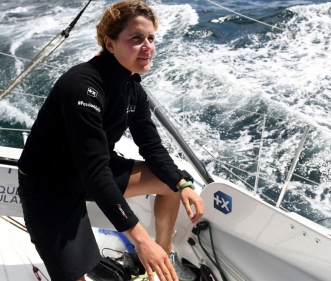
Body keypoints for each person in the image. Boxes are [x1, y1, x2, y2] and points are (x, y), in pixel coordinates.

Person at [17, 1, 204, 281]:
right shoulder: (82, 86)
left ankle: (162, 260)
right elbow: (95, 172)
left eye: (151, 38)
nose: (147, 46)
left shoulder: (132, 88)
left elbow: (151, 146)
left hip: (91, 173)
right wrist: (140, 239)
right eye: (136, 38)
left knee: (171, 183)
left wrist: (181, 183)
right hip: (49, 186)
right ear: (110, 43)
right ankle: (148, 250)